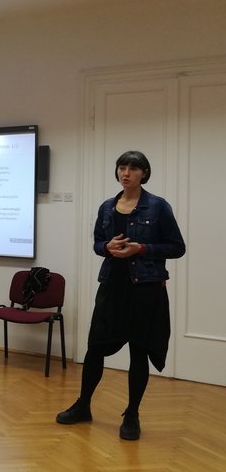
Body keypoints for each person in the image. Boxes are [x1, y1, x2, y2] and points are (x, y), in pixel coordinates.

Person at [56, 151, 185, 440]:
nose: (126, 173)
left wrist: (141, 249)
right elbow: (97, 244)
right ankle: (83, 405)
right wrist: (107, 247)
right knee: (94, 348)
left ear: (144, 173)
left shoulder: (158, 207)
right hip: (112, 286)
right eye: (122, 167)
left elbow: (177, 247)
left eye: (133, 168)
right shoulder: (107, 207)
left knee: (138, 350)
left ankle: (132, 415)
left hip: (145, 288)